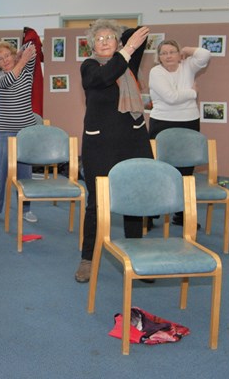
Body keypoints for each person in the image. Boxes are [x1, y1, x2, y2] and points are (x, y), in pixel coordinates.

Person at [76, 19, 151, 283]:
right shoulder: (90, 67)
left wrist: (124, 37)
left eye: (110, 37)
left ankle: (137, 256)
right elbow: (106, 77)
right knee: (97, 203)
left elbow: (134, 33)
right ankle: (87, 258)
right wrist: (126, 48)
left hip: (132, 142)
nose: (105, 41)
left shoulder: (128, 60)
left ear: (118, 41)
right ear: (91, 45)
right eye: (99, 38)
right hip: (100, 145)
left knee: (134, 200)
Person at [148, 39, 211, 227]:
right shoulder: (155, 72)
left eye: (172, 52)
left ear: (179, 54)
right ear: (158, 57)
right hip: (162, 122)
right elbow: (170, 97)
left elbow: (205, 55)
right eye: (164, 53)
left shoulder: (188, 66)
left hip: (189, 121)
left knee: (186, 170)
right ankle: (150, 212)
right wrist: (192, 93)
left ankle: (182, 213)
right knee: (159, 170)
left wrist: (187, 48)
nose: (168, 56)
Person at [0, 40, 38, 225]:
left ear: (13, 54)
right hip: (2, 132)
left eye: (7, 55)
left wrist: (26, 49)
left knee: (25, 175)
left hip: (25, 132)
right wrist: (21, 59)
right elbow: (11, 79)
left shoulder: (26, 69)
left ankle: (26, 209)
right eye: (0, 59)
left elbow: (32, 50)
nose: (5, 60)